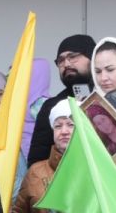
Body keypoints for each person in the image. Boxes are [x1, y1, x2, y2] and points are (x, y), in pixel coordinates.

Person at [26, 34, 97, 166]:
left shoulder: (110, 97)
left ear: (93, 58)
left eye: (73, 57)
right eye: (61, 60)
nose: (66, 64)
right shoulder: (51, 106)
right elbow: (37, 163)